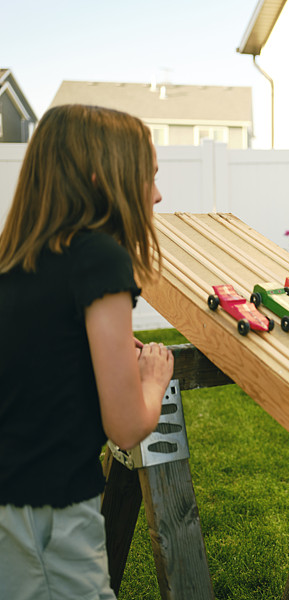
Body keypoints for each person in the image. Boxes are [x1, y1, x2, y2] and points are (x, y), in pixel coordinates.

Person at [0, 104, 174, 599]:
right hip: (46, 511)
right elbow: (126, 425)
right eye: (148, 177)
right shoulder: (99, 258)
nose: (157, 195)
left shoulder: (15, 258)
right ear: (102, 177)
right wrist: (152, 379)